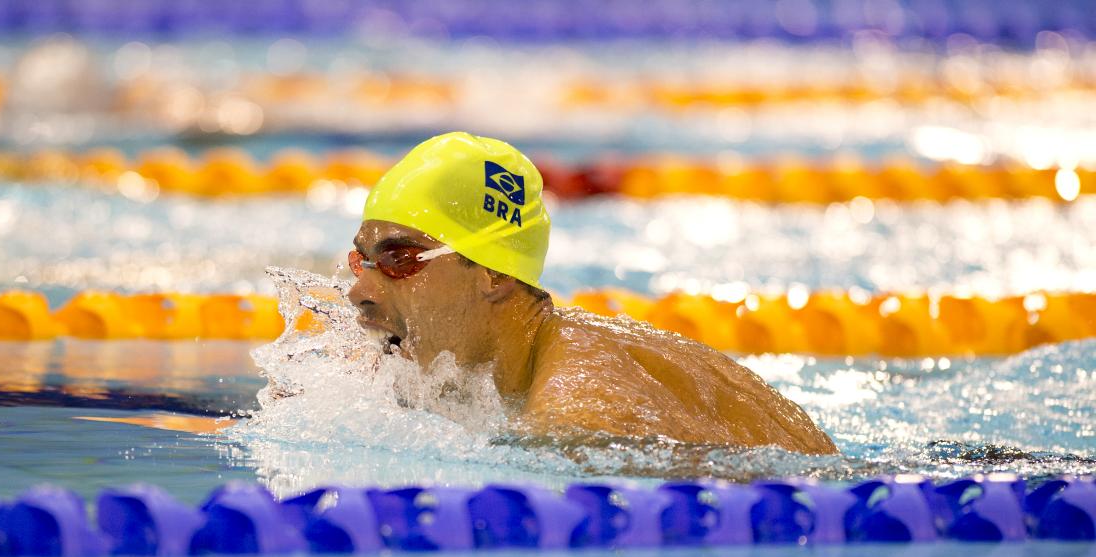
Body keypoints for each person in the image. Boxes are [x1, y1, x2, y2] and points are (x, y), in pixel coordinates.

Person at [347, 132, 837, 455]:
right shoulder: (534, 368)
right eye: (361, 260)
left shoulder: (578, 419)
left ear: (493, 275)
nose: (360, 291)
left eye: (399, 259)